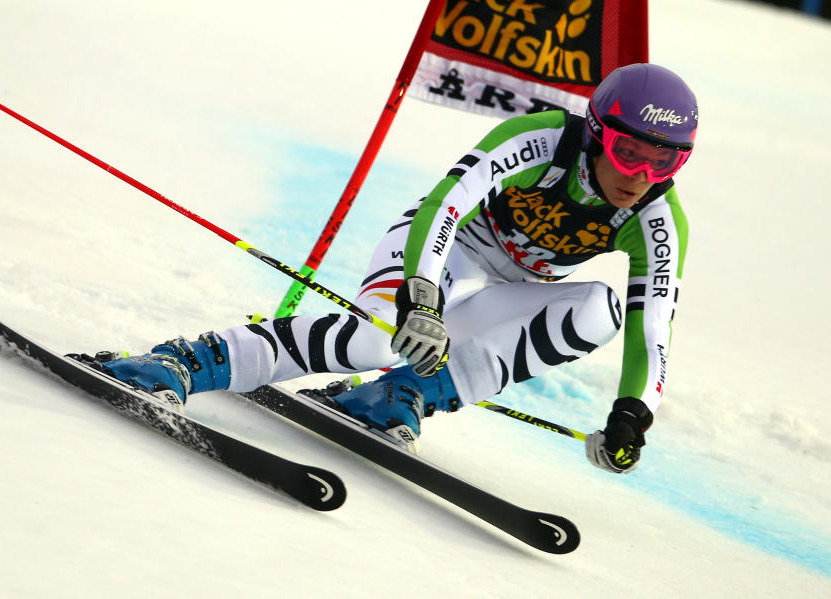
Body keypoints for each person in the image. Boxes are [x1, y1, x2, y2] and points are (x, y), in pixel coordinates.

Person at [81, 63, 696, 474]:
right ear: (596, 133)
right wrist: (422, 300)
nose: (639, 177)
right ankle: (188, 360)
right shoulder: (539, 140)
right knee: (376, 335)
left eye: (663, 164)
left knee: (599, 311)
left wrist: (631, 416)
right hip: (443, 245)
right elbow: (443, 207)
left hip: (518, 282)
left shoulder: (658, 221)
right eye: (627, 153)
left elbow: (653, 326)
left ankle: (396, 397)